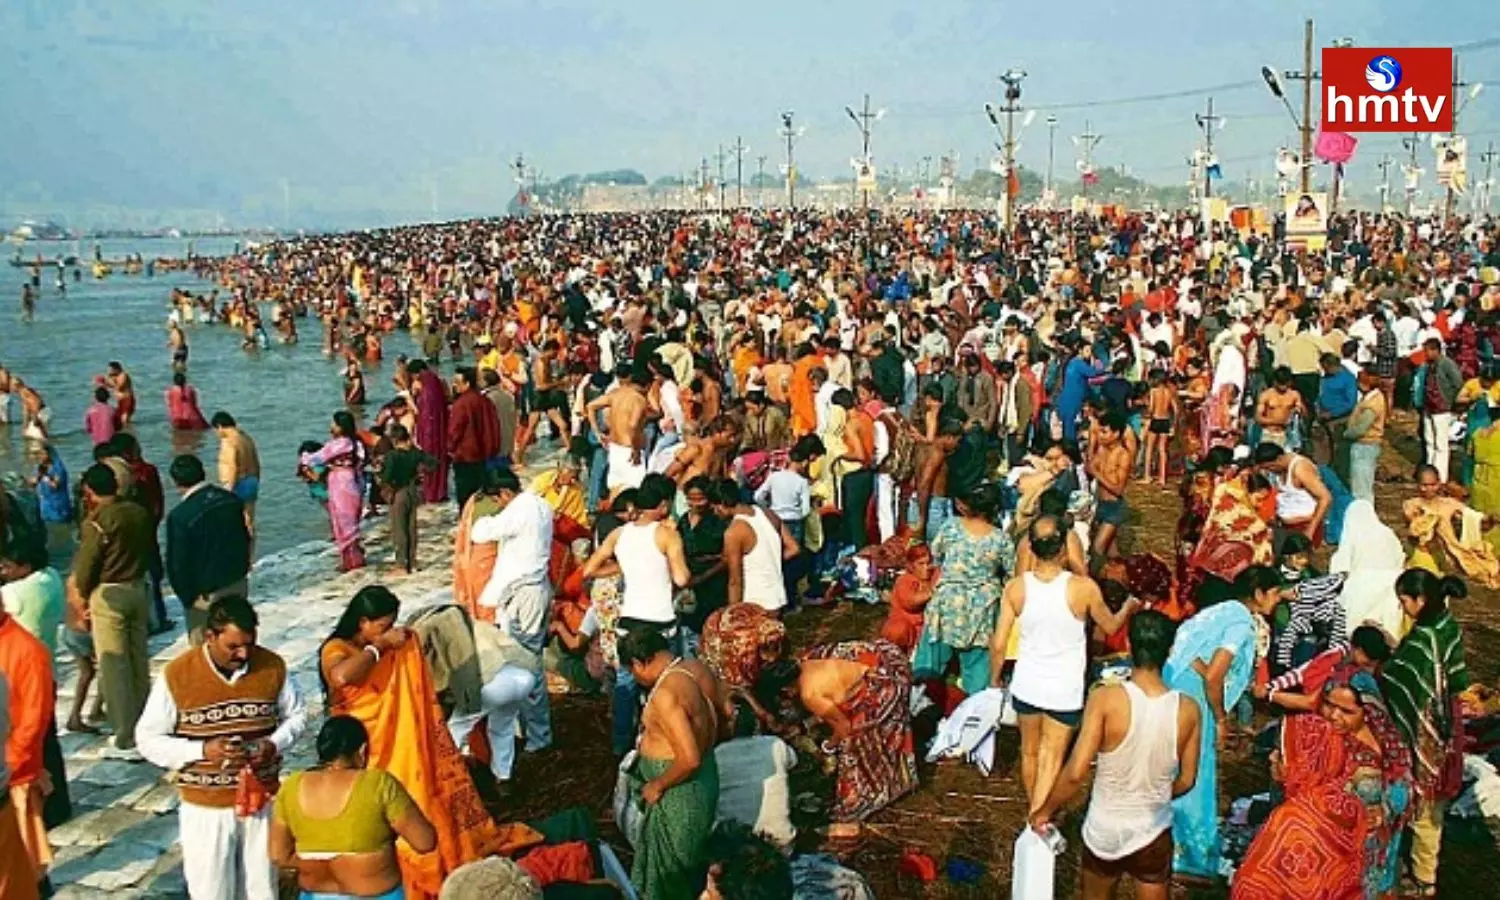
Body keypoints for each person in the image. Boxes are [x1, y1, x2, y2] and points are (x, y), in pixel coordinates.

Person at [319, 586, 518, 898]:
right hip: (366, 745)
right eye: (382, 626)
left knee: (421, 799)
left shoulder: (386, 645)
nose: (388, 632)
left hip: (402, 743)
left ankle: (434, 858)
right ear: (362, 622)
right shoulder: (336, 649)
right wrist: (380, 646)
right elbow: (342, 677)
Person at [135, 596, 307, 900]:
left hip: (260, 801)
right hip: (206, 807)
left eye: (249, 645)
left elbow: (298, 715)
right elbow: (147, 739)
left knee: (262, 888)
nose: (243, 654)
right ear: (210, 637)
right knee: (211, 890)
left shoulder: (272, 666)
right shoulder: (178, 675)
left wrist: (272, 743)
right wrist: (202, 751)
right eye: (234, 647)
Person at [1029, 612, 1202, 900]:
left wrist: (1045, 811)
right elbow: (1187, 779)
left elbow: (1075, 772)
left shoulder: (1105, 699)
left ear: (1129, 647)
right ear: (1170, 650)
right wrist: (1154, 794)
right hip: (1153, 829)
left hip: (1104, 829)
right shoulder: (1188, 710)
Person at [991, 515, 1137, 814]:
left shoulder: (1016, 588)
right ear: (1062, 551)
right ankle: (1038, 818)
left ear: (1030, 547)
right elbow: (1109, 627)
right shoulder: (1083, 588)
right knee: (1051, 757)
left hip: (1027, 683)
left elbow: (998, 642)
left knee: (1029, 753)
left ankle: (1035, 812)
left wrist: (994, 680)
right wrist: (1128, 607)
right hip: (1064, 688)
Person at [1231, 670, 1413, 900]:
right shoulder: (1319, 737)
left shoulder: (1386, 750)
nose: (1334, 716)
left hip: (1363, 856)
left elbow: (1401, 790)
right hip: (1332, 856)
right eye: (1328, 705)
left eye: (1347, 711)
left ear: (1369, 712)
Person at [1163, 564, 1279, 879]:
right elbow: (1215, 675)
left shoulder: (1217, 613)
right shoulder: (1241, 624)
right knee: (1196, 771)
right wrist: (1220, 717)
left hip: (1174, 685)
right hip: (1196, 700)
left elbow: (1190, 652)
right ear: (1258, 594)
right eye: (1274, 594)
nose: (1278, 600)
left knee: (1174, 764)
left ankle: (1169, 837)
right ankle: (1192, 856)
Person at [270, 716, 437, 900]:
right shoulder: (378, 784)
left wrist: (318, 860)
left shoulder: (291, 786)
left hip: (315, 894)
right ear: (363, 750)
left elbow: (278, 855)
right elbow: (425, 842)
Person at [461, 467, 555, 776]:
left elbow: (480, 533)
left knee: (527, 665)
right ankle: (529, 732)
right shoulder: (539, 504)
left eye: (496, 500)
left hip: (524, 594)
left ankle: (538, 738)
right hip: (531, 589)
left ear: (502, 494)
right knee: (524, 662)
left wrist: (479, 511)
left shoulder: (520, 509)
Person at [1382, 569, 1469, 897]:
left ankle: (1424, 880)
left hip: (1428, 728)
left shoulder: (1423, 640)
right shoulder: (1447, 623)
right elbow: (1455, 677)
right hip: (1451, 719)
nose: (1402, 606)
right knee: (1435, 801)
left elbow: (1400, 680)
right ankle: (1423, 867)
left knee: (1425, 804)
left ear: (1420, 600)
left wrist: (1385, 664)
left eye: (1404, 600)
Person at [618, 627, 721, 900]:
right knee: (687, 863)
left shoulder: (666, 694)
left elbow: (689, 758)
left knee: (672, 876)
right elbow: (725, 716)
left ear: (640, 663)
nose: (634, 677)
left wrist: (658, 784)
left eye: (632, 671)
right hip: (703, 781)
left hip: (679, 793)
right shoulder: (694, 669)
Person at [68, 463, 154, 760]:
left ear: (89, 491)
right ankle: (147, 723)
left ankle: (125, 737)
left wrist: (81, 594)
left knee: (114, 666)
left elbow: (85, 569)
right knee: (138, 661)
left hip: (109, 594)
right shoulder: (138, 512)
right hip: (137, 588)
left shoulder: (99, 521)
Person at [797, 638, 918, 837]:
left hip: (882, 683)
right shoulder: (807, 662)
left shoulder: (808, 694)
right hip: (883, 660)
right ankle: (900, 779)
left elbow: (844, 727)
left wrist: (829, 746)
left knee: (856, 750)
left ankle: (865, 803)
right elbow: (834, 700)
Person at [913, 483, 1014, 696]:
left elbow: (937, 554)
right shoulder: (1000, 539)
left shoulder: (951, 527)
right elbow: (1011, 572)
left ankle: (922, 701)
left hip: (947, 601)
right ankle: (971, 711)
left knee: (931, 658)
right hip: (982, 608)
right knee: (977, 666)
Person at [0, 586, 55, 897]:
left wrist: (8, 764)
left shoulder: (26, 650)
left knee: (26, 867)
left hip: (15, 775)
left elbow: (34, 721)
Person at [164, 454, 251, 644]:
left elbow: (177, 563)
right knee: (238, 638)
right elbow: (245, 537)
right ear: (203, 473)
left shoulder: (180, 516)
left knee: (204, 649)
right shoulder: (230, 499)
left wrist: (187, 597)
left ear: (176, 482)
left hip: (205, 594)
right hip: (236, 580)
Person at [717, 477, 798, 614]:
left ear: (722, 504)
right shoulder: (768, 513)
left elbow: (735, 580)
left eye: (714, 508)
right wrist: (769, 561)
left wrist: (733, 613)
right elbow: (793, 548)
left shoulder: (734, 531)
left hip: (754, 602)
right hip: (777, 596)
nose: (715, 513)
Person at [300, 412, 369, 572]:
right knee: (351, 521)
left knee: (341, 521)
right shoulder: (356, 443)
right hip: (353, 481)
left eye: (334, 424)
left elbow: (317, 458)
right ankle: (354, 558)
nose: (331, 427)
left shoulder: (337, 444)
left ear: (340, 426)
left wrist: (304, 457)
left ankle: (350, 561)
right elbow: (361, 463)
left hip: (340, 482)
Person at [378, 424, 432, 574]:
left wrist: (381, 479)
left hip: (398, 492)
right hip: (413, 490)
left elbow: (387, 476)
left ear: (394, 439)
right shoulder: (415, 453)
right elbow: (433, 464)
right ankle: (412, 562)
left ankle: (401, 564)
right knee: (411, 527)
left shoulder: (392, 455)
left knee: (399, 529)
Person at [1254, 441, 1332, 543]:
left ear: (1280, 458)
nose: (1270, 471)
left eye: (1271, 467)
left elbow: (1325, 498)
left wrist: (1310, 530)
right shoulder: (1279, 470)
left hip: (1305, 526)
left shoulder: (1300, 468)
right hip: (1286, 527)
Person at [447, 366, 502, 510]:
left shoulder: (461, 404)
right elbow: (494, 427)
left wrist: (449, 449)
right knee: (482, 498)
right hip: (484, 457)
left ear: (467, 384)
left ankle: (467, 528)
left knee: (466, 500)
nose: (454, 385)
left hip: (465, 457)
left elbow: (455, 431)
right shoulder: (485, 401)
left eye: (457, 382)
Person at [1089, 411, 1134, 559]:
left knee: (1098, 547)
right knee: (1111, 552)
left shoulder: (1123, 456)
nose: (1100, 436)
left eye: (1104, 432)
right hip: (1101, 504)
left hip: (1115, 507)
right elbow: (1090, 467)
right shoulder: (1101, 450)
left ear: (1115, 434)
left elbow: (1118, 488)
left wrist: (1096, 474)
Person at [1417, 337, 1463, 482]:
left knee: (1441, 444)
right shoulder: (1428, 365)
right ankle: (1429, 472)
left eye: (1428, 351)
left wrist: (1449, 399)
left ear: (1435, 350)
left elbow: (1458, 383)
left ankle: (1441, 477)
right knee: (1429, 441)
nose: (1425, 354)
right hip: (1429, 407)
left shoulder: (1447, 364)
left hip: (1441, 408)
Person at [211, 412, 261, 539]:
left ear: (220, 426)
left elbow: (233, 466)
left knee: (232, 522)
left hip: (236, 483)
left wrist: (229, 489)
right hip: (251, 480)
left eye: (216, 430)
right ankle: (250, 555)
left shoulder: (228, 442)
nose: (217, 434)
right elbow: (256, 462)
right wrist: (256, 480)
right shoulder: (246, 438)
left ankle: (237, 554)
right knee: (249, 521)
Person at [407, 360, 451, 504]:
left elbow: (424, 413)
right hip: (438, 429)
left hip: (430, 432)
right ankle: (439, 492)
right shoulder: (434, 382)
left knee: (430, 461)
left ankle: (432, 493)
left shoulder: (426, 386)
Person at [1345, 367, 1388, 502]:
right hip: (1366, 446)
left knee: (1361, 488)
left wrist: (1346, 434)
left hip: (1365, 445)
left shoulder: (1373, 403)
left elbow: (1360, 428)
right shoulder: (1372, 398)